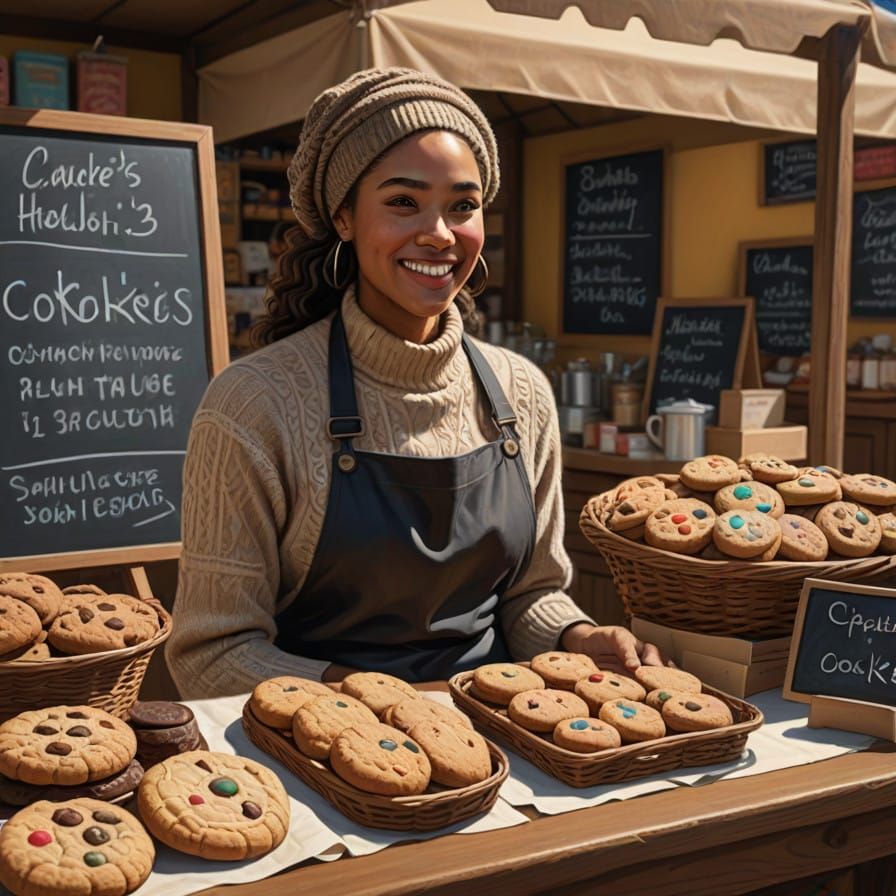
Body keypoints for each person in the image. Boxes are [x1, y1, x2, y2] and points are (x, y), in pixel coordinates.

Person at [167, 67, 663, 699]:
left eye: (463, 206)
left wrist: (576, 636)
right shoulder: (254, 404)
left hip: (502, 736)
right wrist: (376, 702)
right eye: (403, 202)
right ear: (344, 216)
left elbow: (532, 593)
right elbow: (211, 655)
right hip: (317, 758)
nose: (439, 233)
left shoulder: (521, 393)